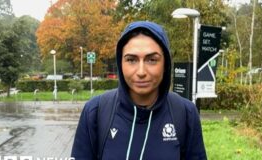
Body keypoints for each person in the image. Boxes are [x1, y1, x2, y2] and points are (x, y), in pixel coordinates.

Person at [71, 21, 207, 160]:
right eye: (131, 60)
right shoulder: (95, 111)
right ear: (120, 63)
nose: (141, 72)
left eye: (152, 60)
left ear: (165, 64)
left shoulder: (186, 113)